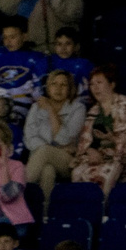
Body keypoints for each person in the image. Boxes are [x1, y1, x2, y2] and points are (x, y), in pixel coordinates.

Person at [67, 63, 126, 199]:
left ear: (112, 84)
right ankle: (83, 212)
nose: (95, 88)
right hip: (99, 158)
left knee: (107, 173)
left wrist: (114, 140)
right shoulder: (94, 110)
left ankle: (103, 212)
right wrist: (90, 151)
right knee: (78, 172)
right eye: (92, 84)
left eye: (99, 83)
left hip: (124, 159)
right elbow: (85, 141)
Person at [20, 69, 87, 203]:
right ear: (48, 87)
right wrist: (55, 147)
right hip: (39, 157)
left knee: (45, 151)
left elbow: (64, 139)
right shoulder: (36, 107)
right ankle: (43, 217)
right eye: (54, 84)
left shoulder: (78, 108)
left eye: (63, 85)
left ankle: (15, 195)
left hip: (67, 161)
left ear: (70, 89)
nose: (58, 88)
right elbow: (29, 138)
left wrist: (50, 110)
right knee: (47, 171)